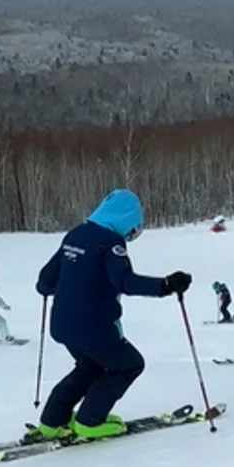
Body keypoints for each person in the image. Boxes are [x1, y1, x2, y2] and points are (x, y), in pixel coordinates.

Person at [30, 188, 192, 440]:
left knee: (90, 366)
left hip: (62, 325)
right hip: (94, 327)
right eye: (134, 227)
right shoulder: (111, 243)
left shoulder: (76, 234)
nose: (132, 234)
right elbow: (124, 281)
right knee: (128, 364)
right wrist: (166, 285)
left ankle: (52, 421)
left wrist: (74, 285)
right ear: (127, 220)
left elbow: (45, 281)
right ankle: (89, 422)